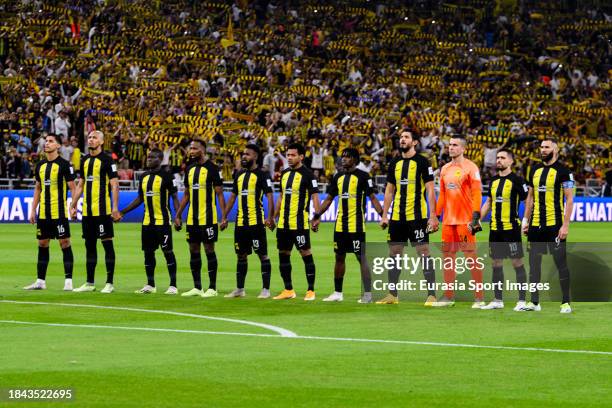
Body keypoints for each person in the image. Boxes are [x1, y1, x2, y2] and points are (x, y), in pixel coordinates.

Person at [312, 148, 383, 303]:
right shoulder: (337, 177)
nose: (343, 159)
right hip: (340, 226)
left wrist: (383, 215)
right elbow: (329, 199)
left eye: (347, 157)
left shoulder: (363, 176)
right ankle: (338, 293)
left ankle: (368, 295)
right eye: (342, 156)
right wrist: (317, 216)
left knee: (361, 258)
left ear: (355, 160)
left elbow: (373, 198)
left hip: (356, 226)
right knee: (339, 257)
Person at [378, 130, 439, 305]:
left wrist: (432, 216)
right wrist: (385, 215)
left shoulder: (422, 161)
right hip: (397, 218)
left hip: (417, 217)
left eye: (406, 137)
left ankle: (431, 295)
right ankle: (392, 295)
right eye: (401, 137)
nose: (402, 139)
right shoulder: (394, 163)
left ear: (414, 142)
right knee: (394, 254)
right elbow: (389, 190)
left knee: (423, 253)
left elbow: (429, 189)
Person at [521, 138, 574, 313]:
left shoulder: (564, 171)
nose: (542, 150)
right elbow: (530, 198)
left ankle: (565, 302)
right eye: (541, 147)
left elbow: (569, 199)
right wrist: (526, 221)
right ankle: (534, 302)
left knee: (560, 263)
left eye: (546, 147)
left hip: (554, 226)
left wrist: (565, 226)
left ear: (555, 149)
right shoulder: (534, 170)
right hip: (536, 225)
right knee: (534, 264)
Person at [119, 149, 180, 294]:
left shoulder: (167, 176)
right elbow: (140, 198)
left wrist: (177, 217)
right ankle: (150, 284)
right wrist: (122, 212)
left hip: (163, 221)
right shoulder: (144, 177)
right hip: (147, 222)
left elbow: (175, 197)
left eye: (152, 157)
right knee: (148, 253)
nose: (149, 159)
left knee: (167, 251)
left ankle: (173, 285)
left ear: (160, 159)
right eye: (148, 157)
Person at [433, 135, 484, 308]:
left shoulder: (471, 168)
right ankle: (448, 297)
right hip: (448, 222)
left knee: (471, 258)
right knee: (448, 259)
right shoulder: (445, 169)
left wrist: (475, 217)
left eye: (455, 145)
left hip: (465, 221)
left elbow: (477, 194)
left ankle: (479, 297)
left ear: (463, 148)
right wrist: (435, 216)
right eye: (450, 145)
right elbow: (442, 195)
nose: (451, 148)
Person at [221, 144, 275, 298]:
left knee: (262, 255)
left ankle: (265, 289)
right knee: (241, 255)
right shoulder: (239, 174)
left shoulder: (262, 174)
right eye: (243, 154)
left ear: (256, 157)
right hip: (240, 224)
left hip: (256, 223)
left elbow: (270, 196)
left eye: (248, 154)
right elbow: (232, 197)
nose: (244, 156)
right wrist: (224, 217)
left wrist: (270, 217)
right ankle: (240, 289)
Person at [24, 133, 77, 291]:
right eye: (46, 141)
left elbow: (73, 188)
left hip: (59, 212)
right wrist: (33, 210)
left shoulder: (64, 164)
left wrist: (73, 207)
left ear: (58, 146)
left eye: (51, 141)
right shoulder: (39, 165)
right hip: (44, 213)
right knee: (42, 243)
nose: (47, 143)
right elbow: (38, 189)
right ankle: (40, 281)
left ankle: (68, 281)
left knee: (64, 242)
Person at [69, 130, 120, 293]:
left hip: (103, 212)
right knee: (89, 246)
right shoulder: (84, 160)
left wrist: (114, 208)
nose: (91, 140)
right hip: (88, 213)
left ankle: (109, 283)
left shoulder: (107, 160)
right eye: (89, 137)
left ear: (101, 141)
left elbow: (114, 185)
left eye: (94, 138)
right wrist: (74, 204)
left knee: (107, 244)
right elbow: (81, 184)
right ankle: (89, 283)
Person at [479, 149, 529, 311]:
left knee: (517, 263)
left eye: (502, 157)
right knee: (496, 263)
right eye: (497, 157)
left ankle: (522, 300)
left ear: (511, 161)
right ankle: (497, 300)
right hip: (495, 230)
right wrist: (477, 219)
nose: (498, 160)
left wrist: (526, 220)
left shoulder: (517, 180)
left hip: (511, 229)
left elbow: (528, 200)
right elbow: (488, 202)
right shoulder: (493, 181)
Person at [175, 139, 225, 298]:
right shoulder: (189, 169)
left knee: (209, 249)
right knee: (193, 250)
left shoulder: (212, 168)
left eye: (194, 148)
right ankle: (197, 287)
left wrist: (223, 217)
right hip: (192, 219)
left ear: (202, 150)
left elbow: (219, 193)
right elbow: (187, 195)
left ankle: (212, 287)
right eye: (190, 148)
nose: (191, 151)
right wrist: (178, 215)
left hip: (208, 218)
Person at [273, 143, 322, 301]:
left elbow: (315, 196)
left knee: (305, 253)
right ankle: (288, 290)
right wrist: (274, 216)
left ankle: (311, 290)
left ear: (301, 156)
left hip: (299, 223)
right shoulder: (284, 173)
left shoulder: (308, 175)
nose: (289, 157)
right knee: (283, 254)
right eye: (287, 155)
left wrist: (317, 216)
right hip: (283, 224)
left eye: (293, 155)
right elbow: (281, 196)